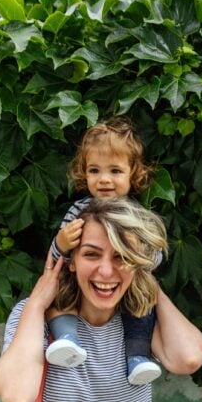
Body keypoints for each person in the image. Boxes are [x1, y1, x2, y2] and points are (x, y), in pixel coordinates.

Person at [0, 197, 202, 402]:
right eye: (92, 254)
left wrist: (147, 283)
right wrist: (37, 303)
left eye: (121, 257)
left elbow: (189, 358)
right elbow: (16, 396)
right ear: (71, 261)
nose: (106, 271)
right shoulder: (35, 317)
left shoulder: (139, 321)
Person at [46, 116, 164, 385]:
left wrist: (140, 255)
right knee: (60, 291)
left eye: (115, 171)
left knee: (144, 302)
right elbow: (55, 259)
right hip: (82, 288)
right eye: (94, 171)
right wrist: (61, 244)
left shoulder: (136, 216)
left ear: (133, 174)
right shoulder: (78, 212)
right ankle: (67, 339)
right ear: (84, 173)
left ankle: (137, 357)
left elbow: (156, 258)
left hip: (127, 287)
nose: (104, 180)